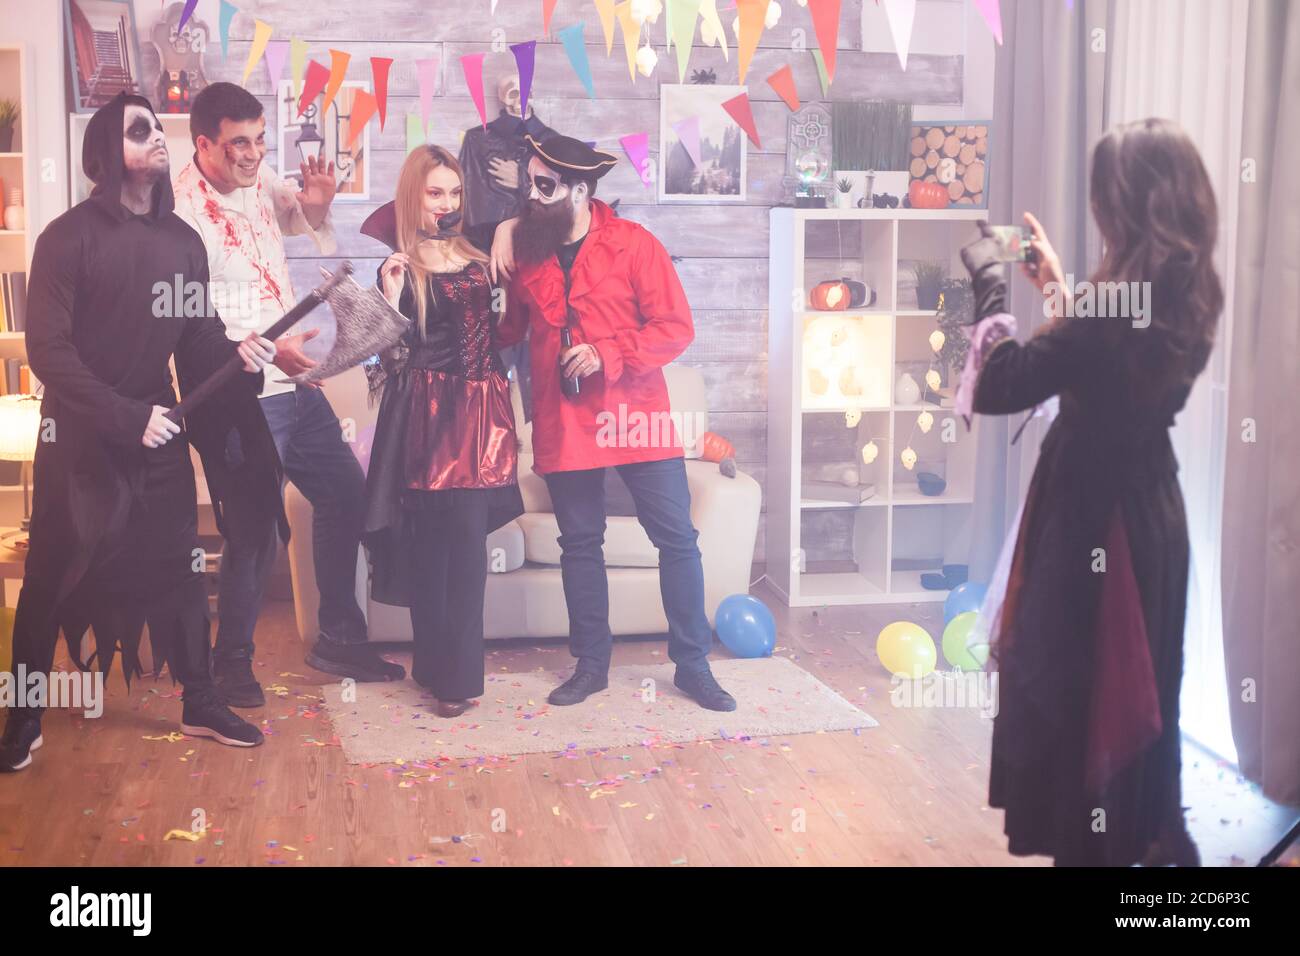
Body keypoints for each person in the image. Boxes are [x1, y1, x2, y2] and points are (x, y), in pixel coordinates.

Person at [957, 118, 1222, 866]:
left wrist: (988, 283)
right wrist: (1061, 290)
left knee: (1078, 697)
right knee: (1137, 699)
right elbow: (1111, 369)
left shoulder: (1117, 310)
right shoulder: (1187, 289)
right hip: (1151, 514)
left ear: (1127, 206)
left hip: (1093, 527)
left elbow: (1006, 382)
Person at [0, 94, 279, 771]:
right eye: (140, 129)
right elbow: (48, 351)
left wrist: (236, 355)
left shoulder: (182, 243)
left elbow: (197, 337)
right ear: (105, 151)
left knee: (181, 569)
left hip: (160, 436)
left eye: (158, 127)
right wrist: (127, 417)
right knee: (46, 578)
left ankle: (201, 700)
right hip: (81, 442)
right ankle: (22, 718)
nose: (158, 137)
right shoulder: (66, 238)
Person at [171, 82, 404, 707]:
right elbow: (190, 319)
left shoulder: (260, 176)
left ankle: (338, 638)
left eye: (258, 140)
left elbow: (299, 216)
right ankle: (232, 665)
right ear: (204, 145)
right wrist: (264, 347)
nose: (253, 155)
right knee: (254, 529)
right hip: (236, 389)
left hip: (293, 377)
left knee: (345, 494)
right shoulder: (178, 216)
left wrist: (320, 206)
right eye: (238, 144)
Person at [496, 135, 736, 712]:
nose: (532, 194)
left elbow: (676, 328)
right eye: (527, 183)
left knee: (676, 539)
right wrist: (491, 281)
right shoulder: (525, 249)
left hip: (637, 418)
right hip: (563, 418)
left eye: (544, 185)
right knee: (580, 544)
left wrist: (609, 352)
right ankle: (591, 665)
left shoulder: (634, 246)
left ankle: (693, 665)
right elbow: (508, 334)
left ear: (580, 191)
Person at [364, 146, 523, 718]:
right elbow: (386, 360)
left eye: (455, 193)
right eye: (435, 193)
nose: (447, 204)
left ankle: (453, 677)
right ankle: (437, 669)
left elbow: (535, 216)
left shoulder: (475, 253)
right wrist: (387, 299)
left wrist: (504, 225)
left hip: (482, 414)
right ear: (414, 195)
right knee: (435, 547)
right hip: (428, 419)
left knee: (466, 547)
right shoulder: (398, 267)